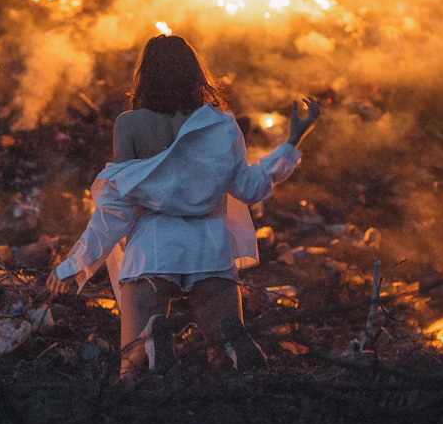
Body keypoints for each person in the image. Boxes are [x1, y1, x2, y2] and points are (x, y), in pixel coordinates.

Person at [45, 35, 320, 375]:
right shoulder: (220, 124)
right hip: (210, 250)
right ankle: (231, 350)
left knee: (132, 368)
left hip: (153, 249)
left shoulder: (129, 125)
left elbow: (117, 207)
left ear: (145, 75)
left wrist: (74, 266)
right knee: (225, 360)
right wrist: (292, 143)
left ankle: (149, 343)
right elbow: (250, 187)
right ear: (194, 74)